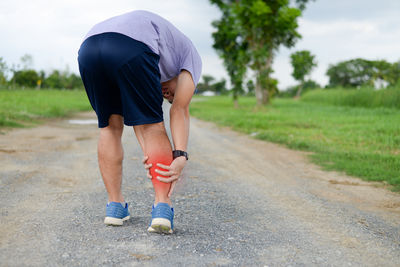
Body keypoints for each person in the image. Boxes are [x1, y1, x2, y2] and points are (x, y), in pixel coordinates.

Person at [77, 10, 202, 234]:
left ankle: (115, 207)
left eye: (168, 97)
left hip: (89, 48)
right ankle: (162, 206)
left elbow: (137, 118)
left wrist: (150, 153)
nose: (168, 96)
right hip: (132, 45)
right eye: (171, 94)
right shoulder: (192, 59)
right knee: (153, 126)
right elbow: (179, 109)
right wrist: (180, 155)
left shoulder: (168, 53)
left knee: (109, 127)